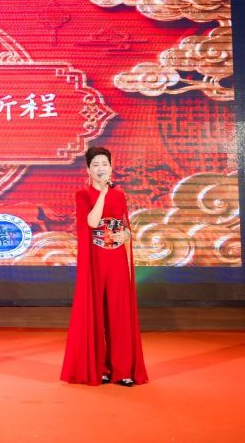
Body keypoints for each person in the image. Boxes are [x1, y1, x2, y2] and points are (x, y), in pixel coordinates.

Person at [61, 146, 148, 387]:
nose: (101, 168)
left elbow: (126, 226)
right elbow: (92, 222)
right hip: (95, 261)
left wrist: (125, 235)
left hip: (116, 259)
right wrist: (102, 193)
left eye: (105, 164)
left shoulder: (119, 195)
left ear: (111, 167)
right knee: (95, 314)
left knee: (119, 314)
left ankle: (122, 370)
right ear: (88, 169)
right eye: (96, 165)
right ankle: (99, 369)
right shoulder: (83, 195)